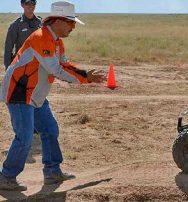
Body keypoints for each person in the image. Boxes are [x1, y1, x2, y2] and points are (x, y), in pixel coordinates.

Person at [0, 1, 106, 191]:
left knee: (50, 129)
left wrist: (85, 75)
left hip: (36, 94)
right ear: (57, 21)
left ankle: (52, 172)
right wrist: (85, 78)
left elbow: (65, 64)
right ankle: (6, 177)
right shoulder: (41, 38)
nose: (73, 27)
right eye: (70, 23)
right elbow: (56, 69)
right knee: (24, 137)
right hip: (19, 92)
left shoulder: (57, 42)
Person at [4, 0, 42, 70]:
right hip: (21, 64)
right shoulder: (16, 25)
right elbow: (8, 48)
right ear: (22, 5)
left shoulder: (40, 23)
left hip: (38, 64)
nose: (31, 6)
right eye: (28, 3)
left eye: (33, 3)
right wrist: (8, 68)